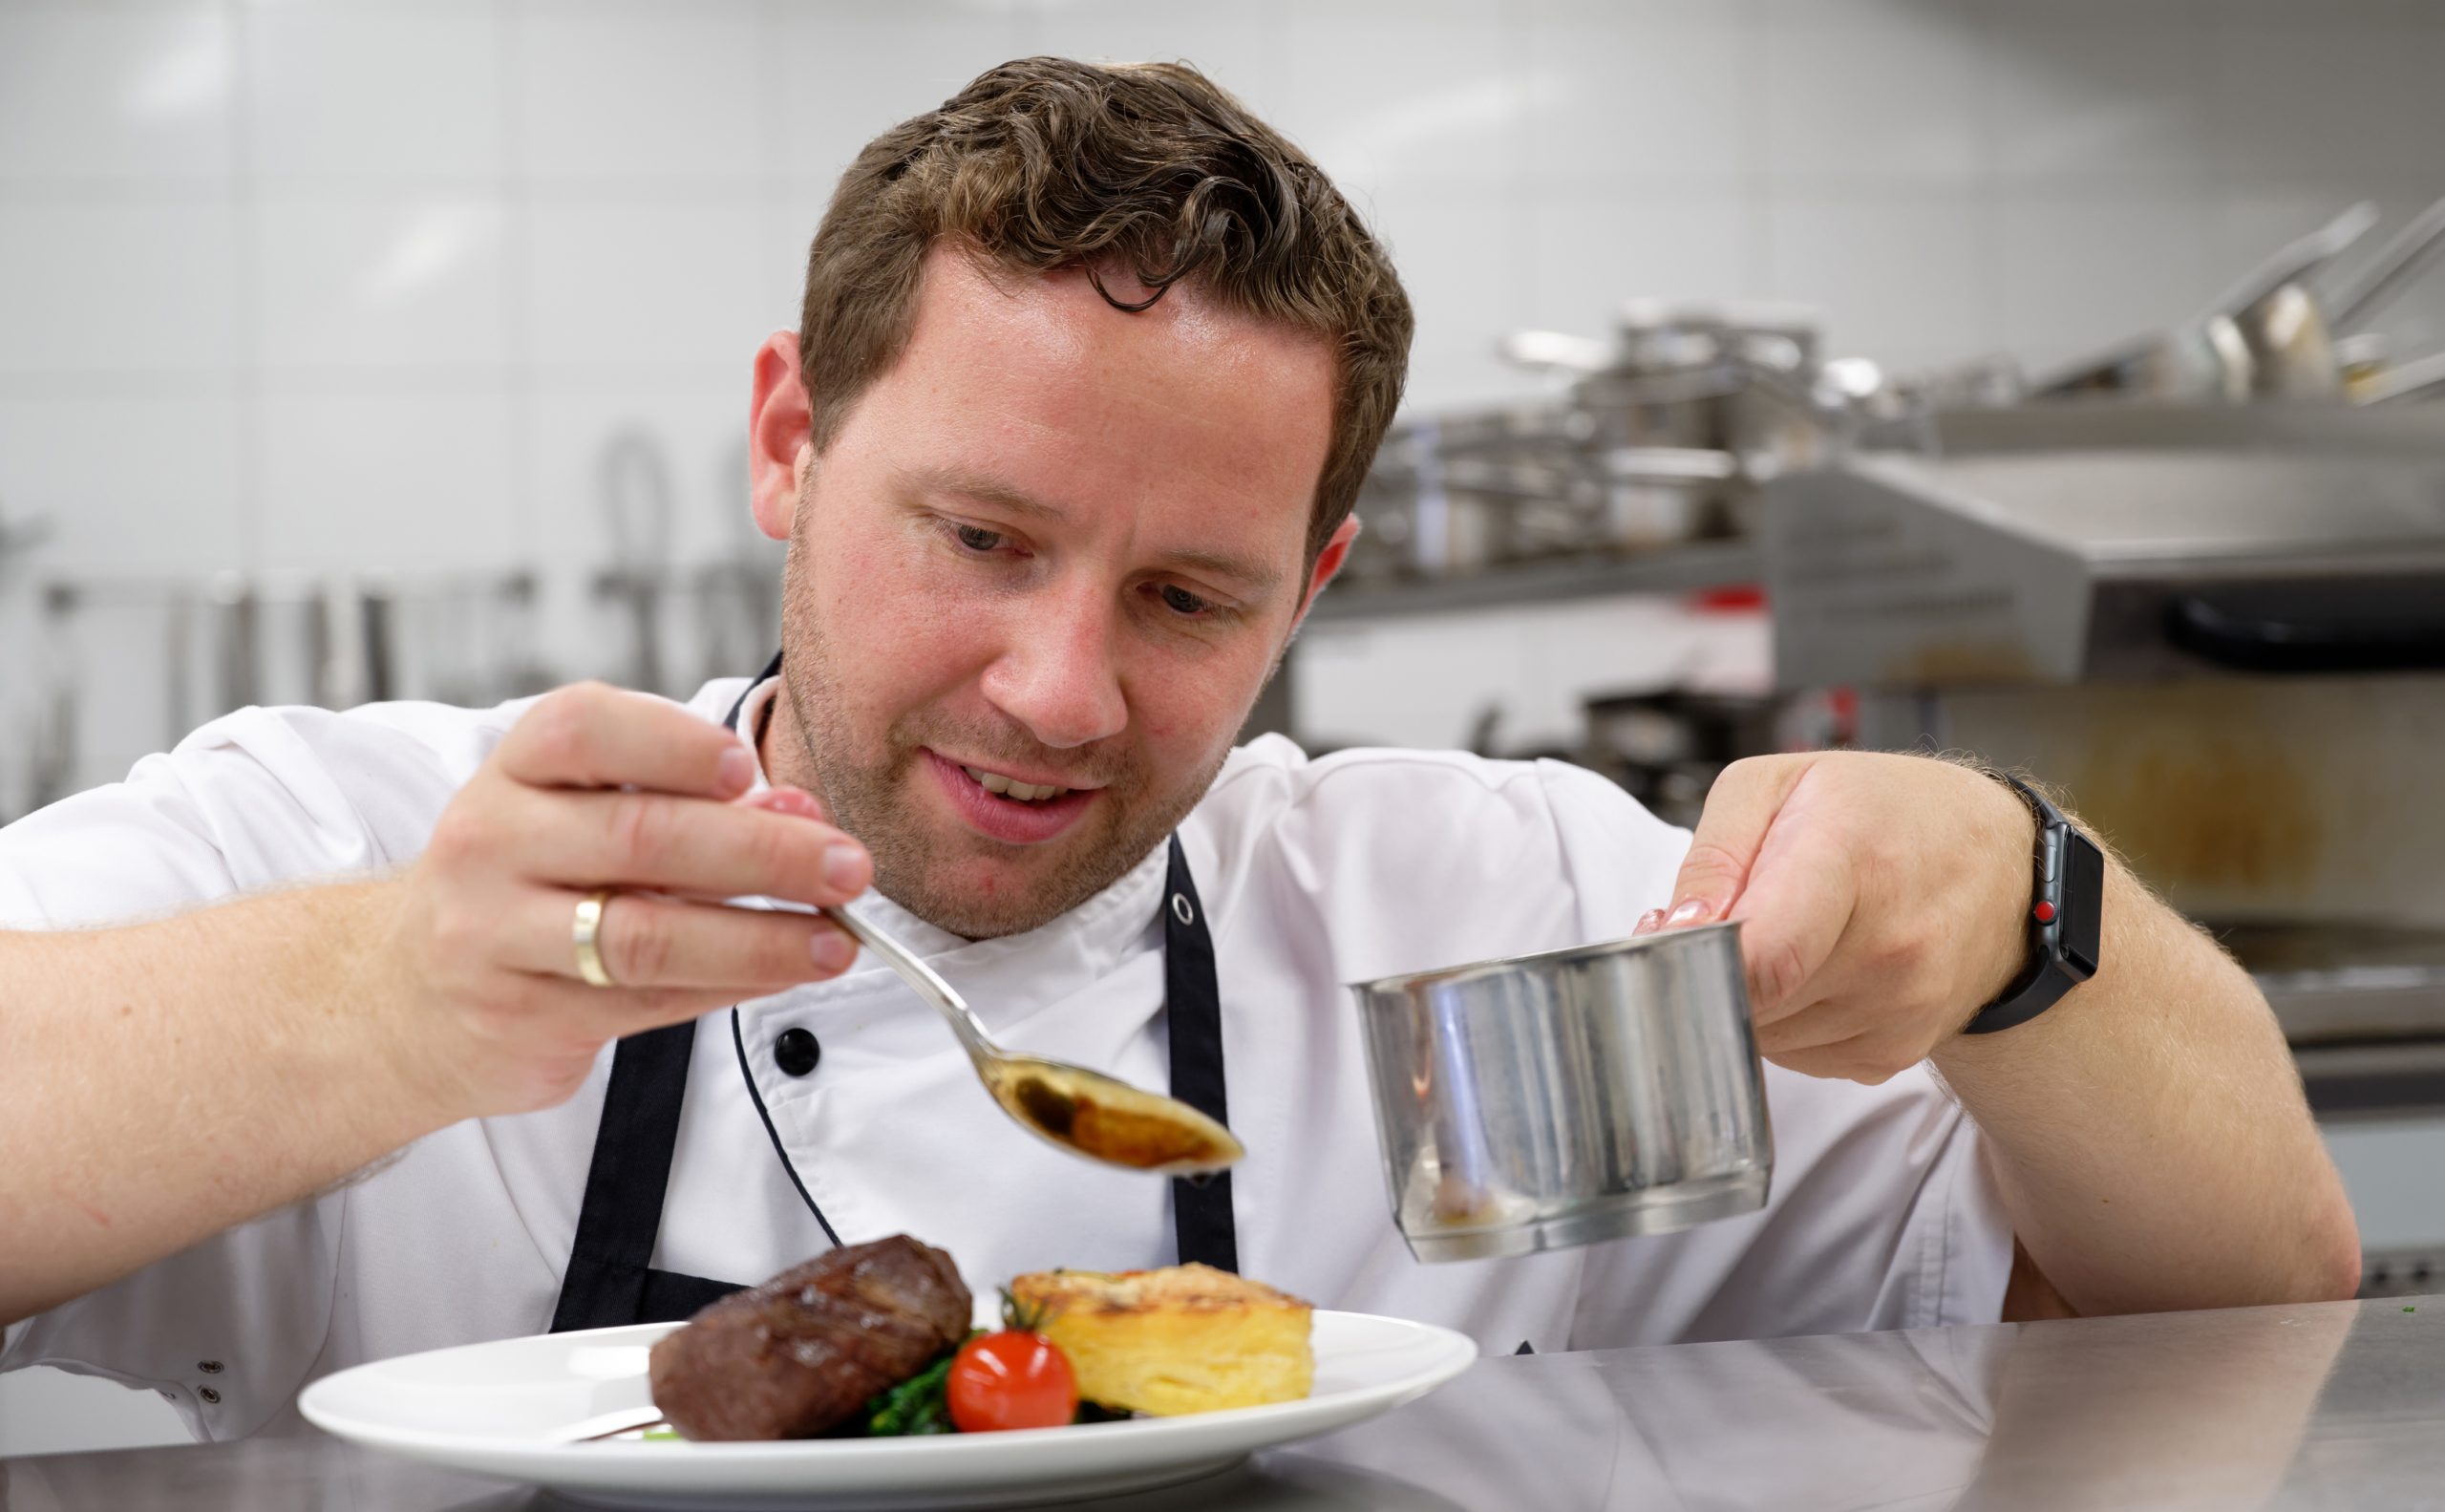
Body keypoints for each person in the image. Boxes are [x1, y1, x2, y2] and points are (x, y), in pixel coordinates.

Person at [0, 57, 2355, 1442]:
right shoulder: (351, 844)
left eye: (1187, 598)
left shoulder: (1499, 917)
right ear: (790, 443)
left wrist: (2035, 917)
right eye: (981, 535)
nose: (1057, 689)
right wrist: (385, 998)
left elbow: (2235, 1315)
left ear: (1313, 586)